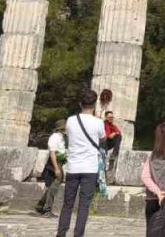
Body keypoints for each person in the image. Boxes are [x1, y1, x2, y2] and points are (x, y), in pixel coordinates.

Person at [58, 89, 106, 237]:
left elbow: (69, 134)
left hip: (73, 167)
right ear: (95, 104)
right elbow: (103, 138)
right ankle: (78, 234)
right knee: (84, 205)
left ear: (80, 103)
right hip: (89, 168)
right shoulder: (98, 122)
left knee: (67, 204)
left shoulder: (71, 120)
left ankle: (61, 233)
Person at [34, 119, 66, 217]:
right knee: (54, 186)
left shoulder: (62, 137)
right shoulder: (54, 137)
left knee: (53, 185)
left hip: (60, 162)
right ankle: (47, 209)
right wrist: (56, 168)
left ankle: (40, 205)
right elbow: (52, 153)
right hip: (54, 163)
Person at [103, 110, 122, 182]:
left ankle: (114, 154)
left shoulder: (113, 126)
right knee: (103, 162)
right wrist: (115, 132)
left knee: (119, 136)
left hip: (109, 144)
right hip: (104, 144)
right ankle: (105, 178)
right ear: (106, 117)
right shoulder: (104, 125)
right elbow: (109, 136)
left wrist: (115, 132)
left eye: (112, 117)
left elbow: (118, 132)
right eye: (109, 117)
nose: (111, 118)